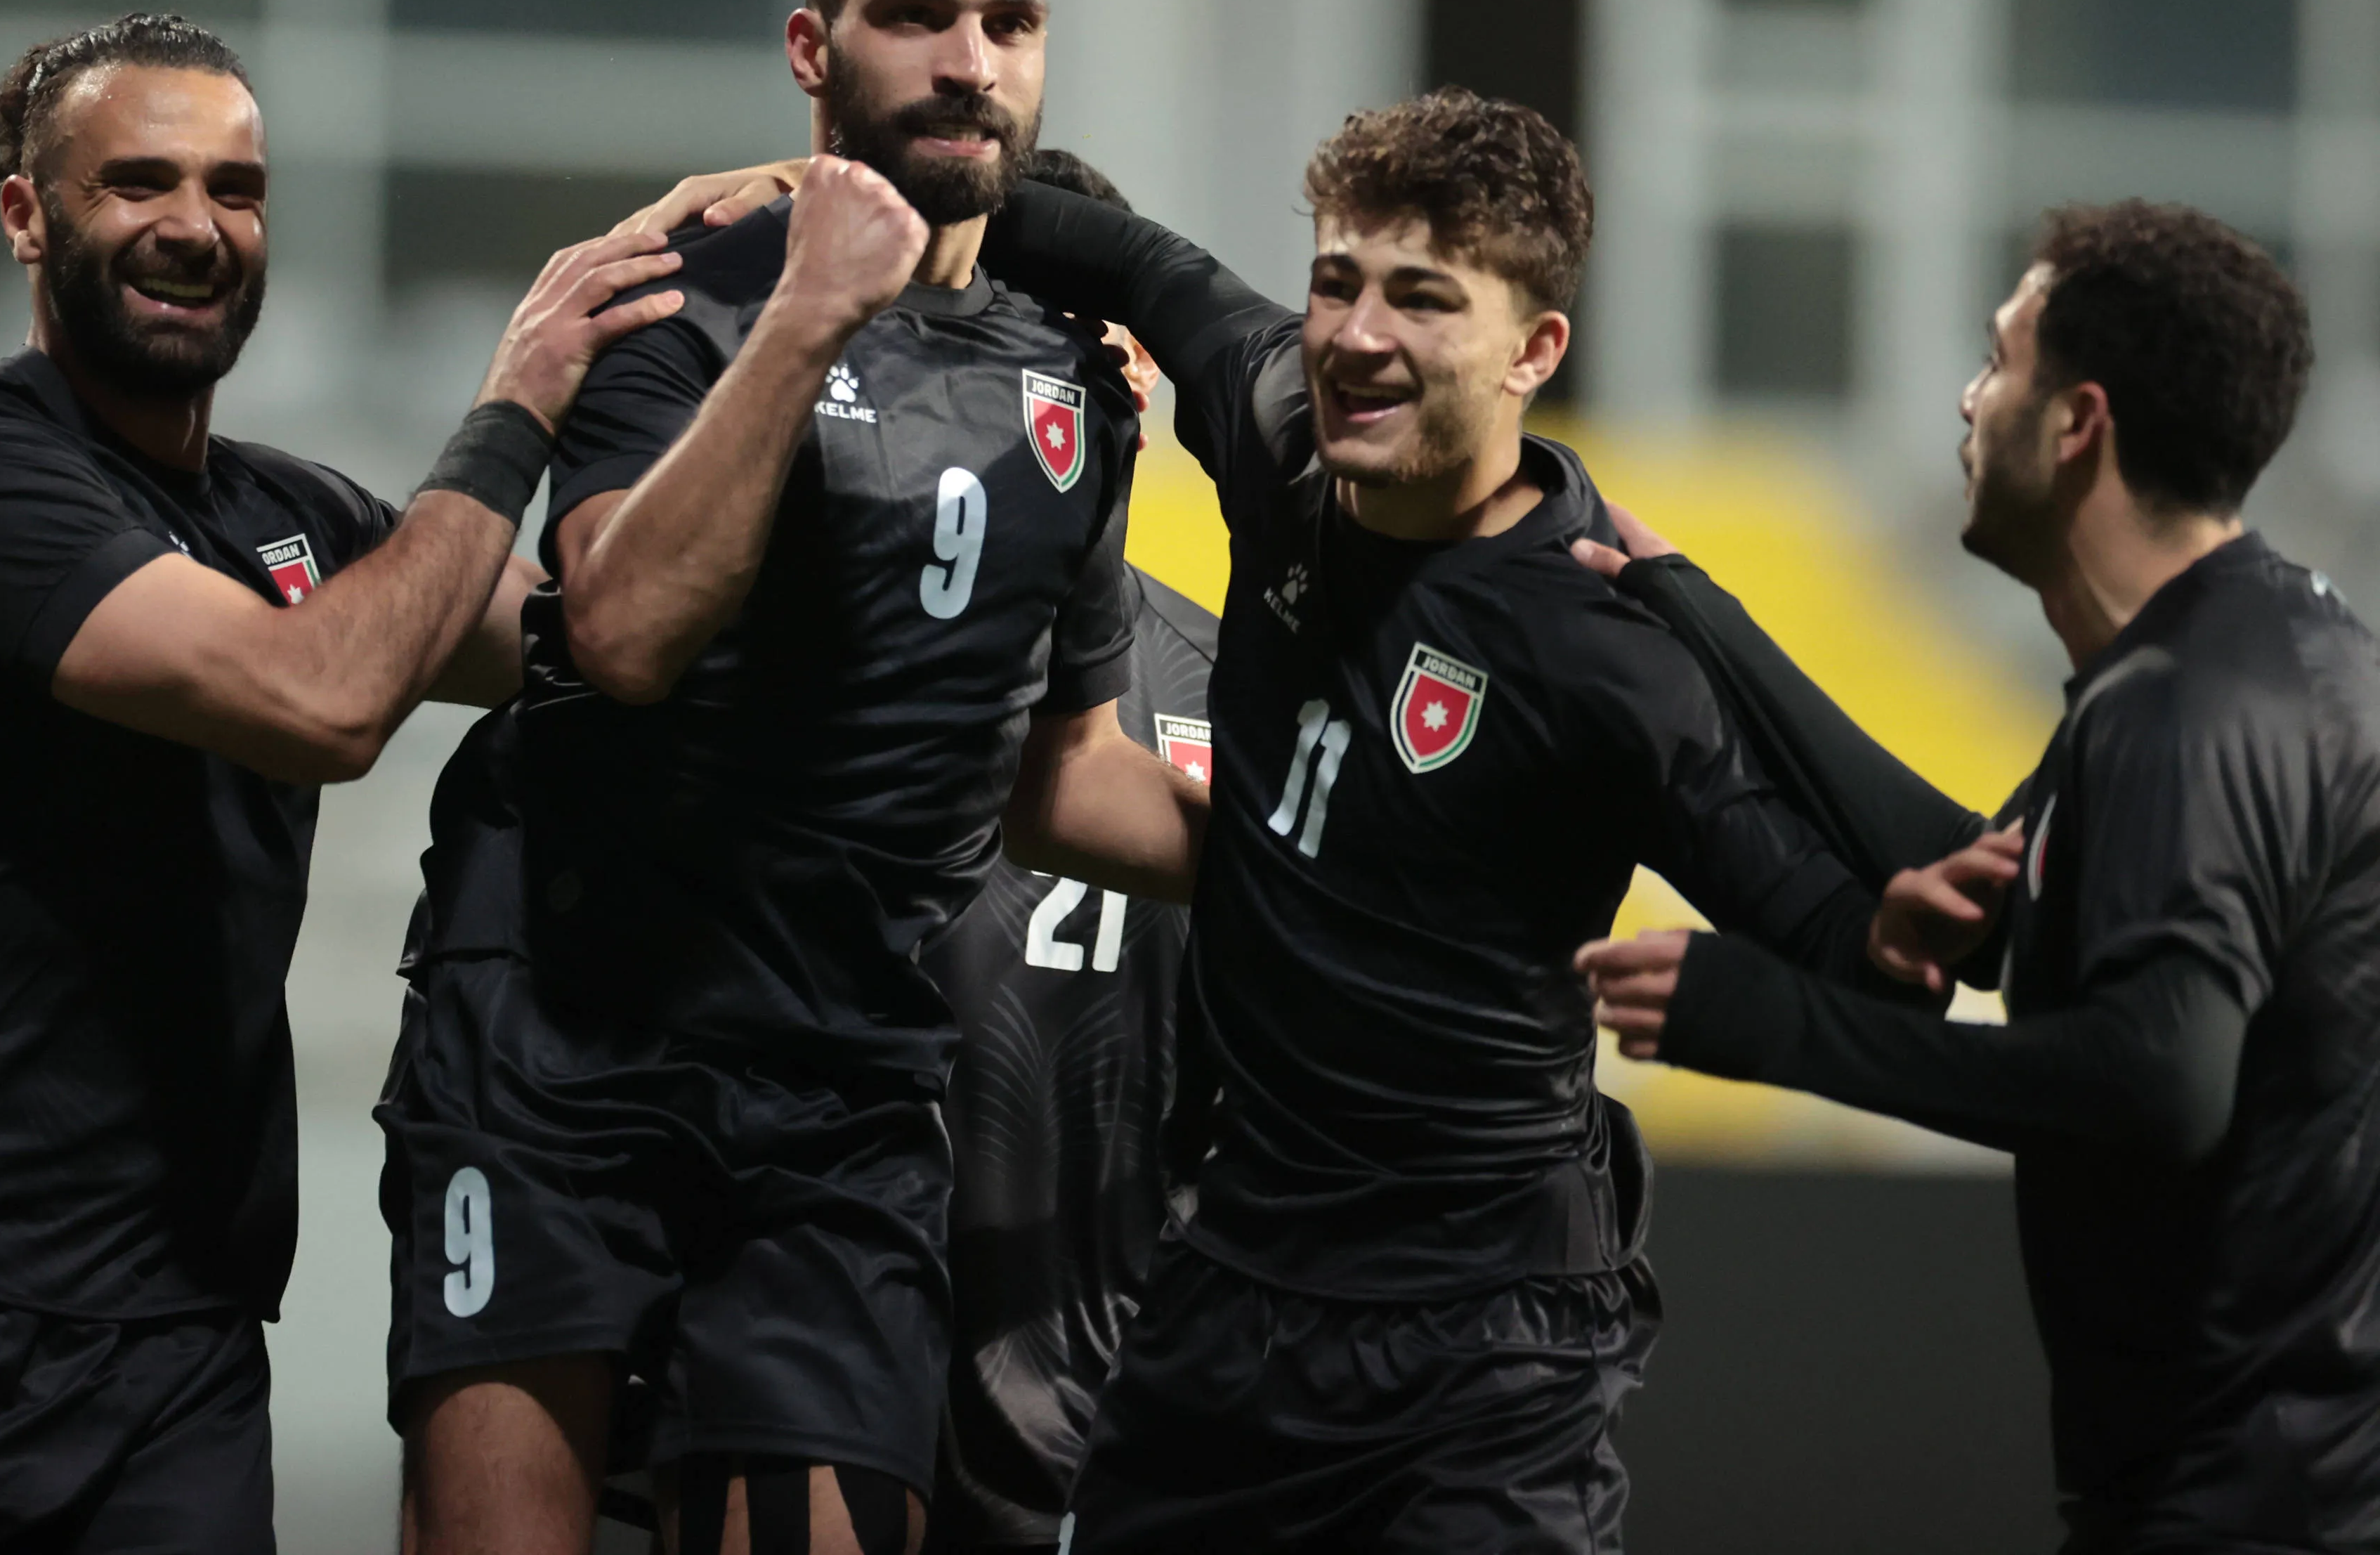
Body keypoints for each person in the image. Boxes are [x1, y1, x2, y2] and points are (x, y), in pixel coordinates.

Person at [0, 11, 682, 1554]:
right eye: (137, 183)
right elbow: (324, 695)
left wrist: (795, 353)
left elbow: (604, 645)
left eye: (236, 189)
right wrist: (517, 406)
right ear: (27, 214)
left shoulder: (289, 512)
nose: (196, 229)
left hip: (180, 1339)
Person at [969, 86, 1931, 1553]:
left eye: (1422, 299)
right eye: (1336, 282)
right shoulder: (1273, 419)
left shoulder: (1604, 658)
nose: (1357, 335)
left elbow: (1837, 942)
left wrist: (1836, 973)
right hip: (1232, 1290)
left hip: (1483, 1344)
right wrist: (801, 192)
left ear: (1531, 350)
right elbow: (1103, 248)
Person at [378, 0, 1205, 1555]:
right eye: (915, 15)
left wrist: (1379, 870)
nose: (968, 57)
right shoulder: (671, 291)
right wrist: (815, 305)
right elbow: (617, 629)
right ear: (811, 47)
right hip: (560, 1035)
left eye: (1010, 21)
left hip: (837, 1075)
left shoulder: (1075, 387)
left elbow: (1064, 784)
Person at [1574, 203, 2379, 1553]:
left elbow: (2152, 1081)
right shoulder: (2236, 648)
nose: (1968, 398)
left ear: (2078, 425)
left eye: (1999, 362)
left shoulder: (2188, 712)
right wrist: (1699, 610)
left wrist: (1775, 1022)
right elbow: (1978, 891)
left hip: (2252, 1506)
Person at [917, 151, 1215, 1555]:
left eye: (1111, 335)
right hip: (821, 1402)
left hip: (1102, 1448)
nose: (1096, 374)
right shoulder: (816, 661)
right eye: (1045, 331)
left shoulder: (1233, 693)